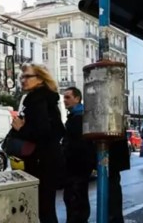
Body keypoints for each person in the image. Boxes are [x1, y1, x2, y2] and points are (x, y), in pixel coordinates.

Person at [11, 63, 65, 223]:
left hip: (41, 164)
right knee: (45, 209)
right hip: (47, 162)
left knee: (43, 210)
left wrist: (21, 129)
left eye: (27, 76)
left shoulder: (38, 100)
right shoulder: (46, 99)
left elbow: (43, 132)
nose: (23, 80)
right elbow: (58, 130)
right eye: (22, 77)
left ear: (40, 79)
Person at [62, 87, 96, 223]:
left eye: (68, 97)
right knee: (77, 199)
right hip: (79, 167)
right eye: (64, 97)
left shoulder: (78, 118)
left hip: (76, 167)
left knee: (75, 201)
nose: (65, 100)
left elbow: (77, 145)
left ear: (77, 98)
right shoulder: (78, 116)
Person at [108, 134, 131, 223]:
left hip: (111, 151)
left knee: (112, 187)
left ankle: (114, 218)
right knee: (113, 185)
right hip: (114, 152)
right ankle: (115, 218)